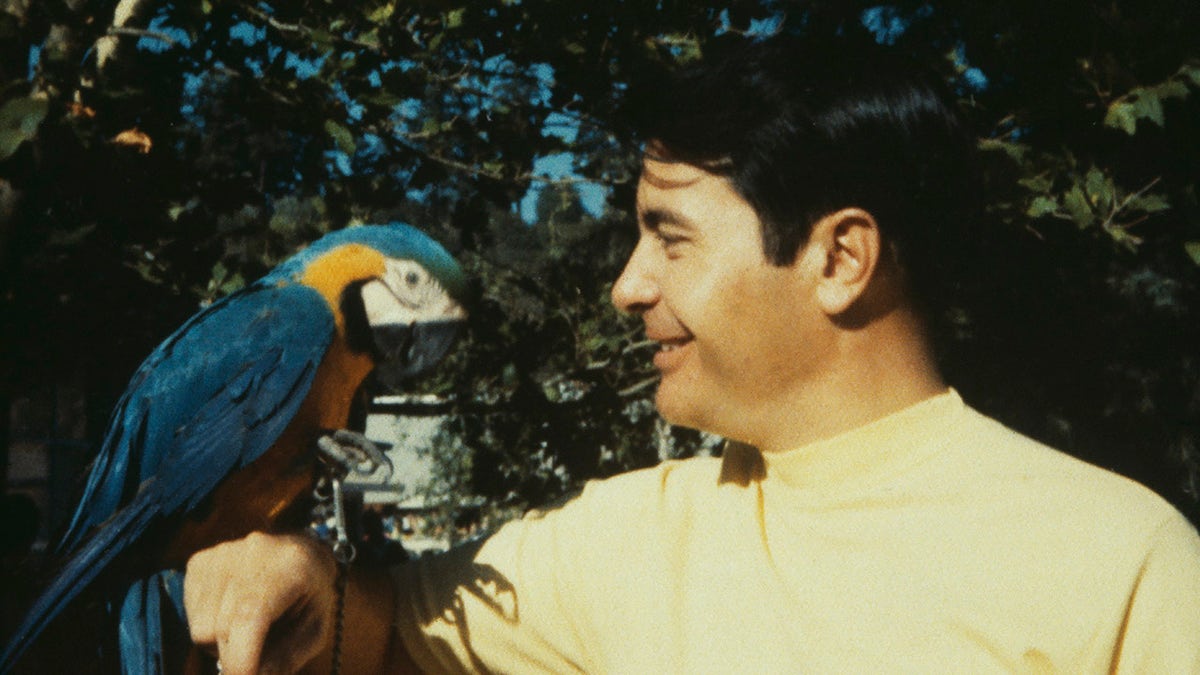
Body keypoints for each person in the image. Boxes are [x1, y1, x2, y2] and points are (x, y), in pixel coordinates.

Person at [183, 34, 1200, 673]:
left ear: (840, 257)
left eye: (669, 237)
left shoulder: (1123, 565)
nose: (627, 286)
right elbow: (382, 630)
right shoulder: (619, 540)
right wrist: (294, 570)